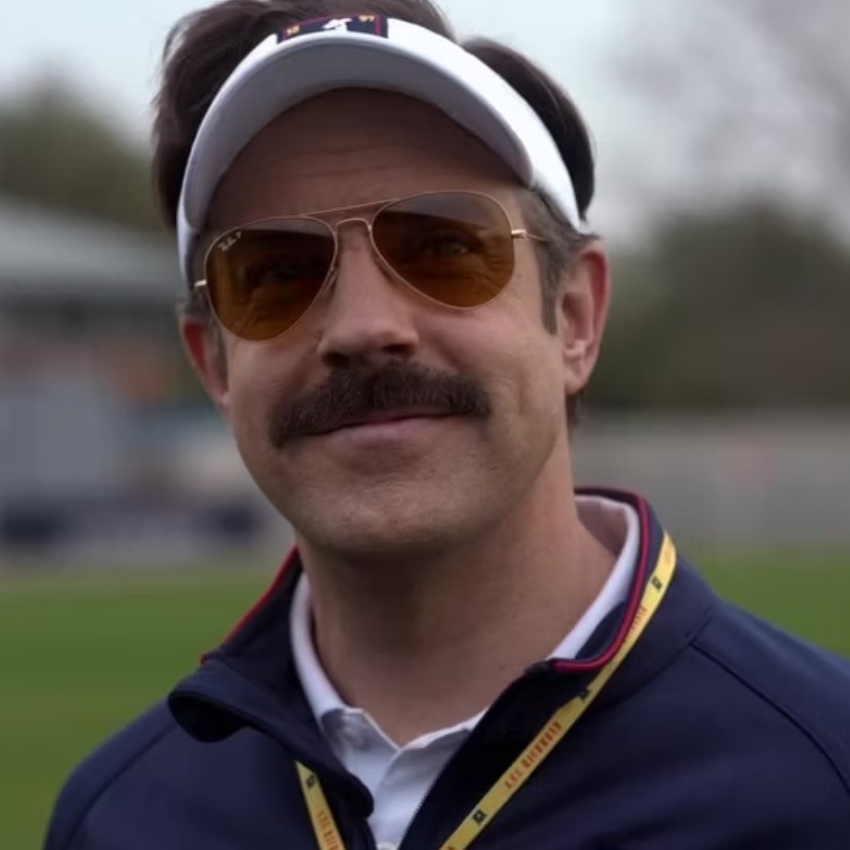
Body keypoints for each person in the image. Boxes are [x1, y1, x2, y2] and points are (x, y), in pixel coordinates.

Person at [45, 2, 850, 848]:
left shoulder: (822, 782)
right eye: (276, 273)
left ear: (575, 318)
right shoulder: (119, 818)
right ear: (214, 364)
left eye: (444, 247)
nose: (364, 327)